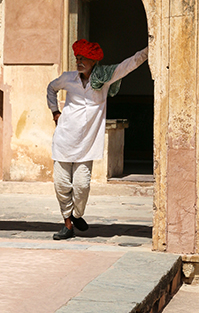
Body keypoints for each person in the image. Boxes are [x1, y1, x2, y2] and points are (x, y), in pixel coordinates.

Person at [46, 38, 149, 240]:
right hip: (64, 140)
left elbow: (128, 65)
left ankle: (77, 215)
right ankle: (67, 224)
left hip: (87, 143)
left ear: (94, 60)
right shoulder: (68, 78)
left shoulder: (104, 78)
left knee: (82, 185)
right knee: (61, 185)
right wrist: (55, 112)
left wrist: (148, 49)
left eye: (83, 58)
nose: (79, 61)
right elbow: (51, 88)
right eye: (77, 58)